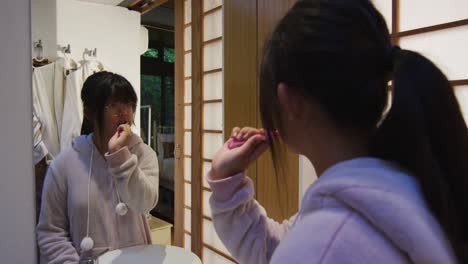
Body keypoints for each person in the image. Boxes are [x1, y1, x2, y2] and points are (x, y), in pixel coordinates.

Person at [207, 0, 468, 263]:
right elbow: (278, 248)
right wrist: (226, 178)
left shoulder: (327, 243)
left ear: (290, 101)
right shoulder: (405, 189)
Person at [37, 71, 159, 263]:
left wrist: (120, 156)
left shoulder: (144, 154)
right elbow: (51, 232)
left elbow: (146, 203)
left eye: (128, 104)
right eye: (114, 106)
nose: (125, 113)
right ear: (90, 112)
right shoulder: (64, 163)